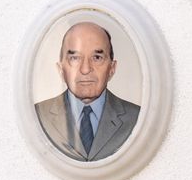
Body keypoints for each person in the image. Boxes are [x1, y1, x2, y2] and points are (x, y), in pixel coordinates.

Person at [33, 21, 140, 163]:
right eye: (75, 58)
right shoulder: (37, 116)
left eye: (97, 58)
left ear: (112, 68)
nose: (85, 69)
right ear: (61, 69)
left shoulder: (138, 118)